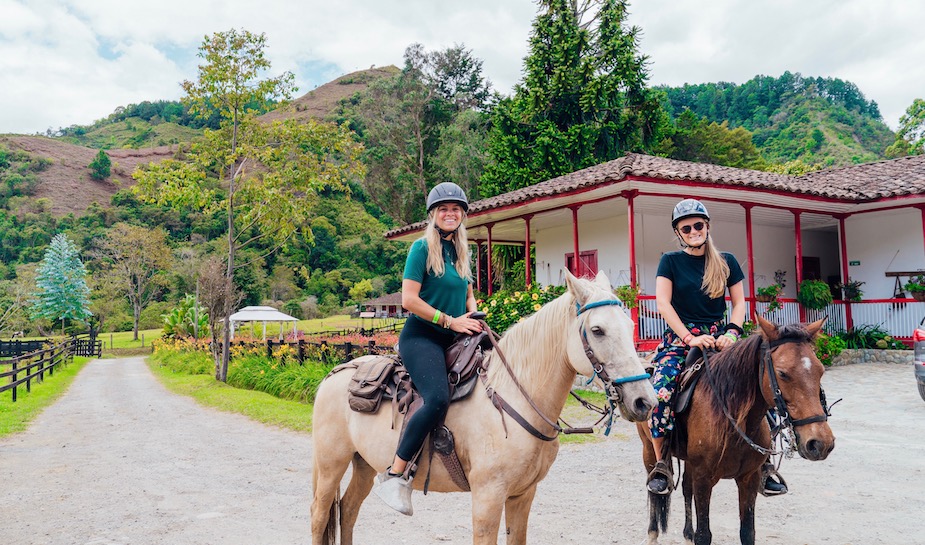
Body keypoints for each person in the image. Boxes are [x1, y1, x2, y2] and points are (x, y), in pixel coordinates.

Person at [645, 198, 787, 497]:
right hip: (682, 338)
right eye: (687, 227)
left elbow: (738, 303)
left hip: (722, 338)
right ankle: (662, 465)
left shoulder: (726, 261)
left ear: (707, 226)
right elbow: (663, 304)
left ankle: (765, 462)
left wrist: (733, 333)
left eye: (699, 225)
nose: (694, 230)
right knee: (660, 393)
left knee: (761, 387)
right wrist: (689, 338)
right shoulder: (669, 261)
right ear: (679, 232)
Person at [372, 182, 483, 516]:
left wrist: (475, 317)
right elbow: (409, 300)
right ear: (434, 215)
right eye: (443, 209)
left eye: (455, 210)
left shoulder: (463, 252)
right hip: (422, 336)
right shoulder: (421, 249)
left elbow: (467, 296)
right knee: (436, 398)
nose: (450, 214)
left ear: (462, 215)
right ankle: (395, 474)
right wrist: (451, 322)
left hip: (456, 334)